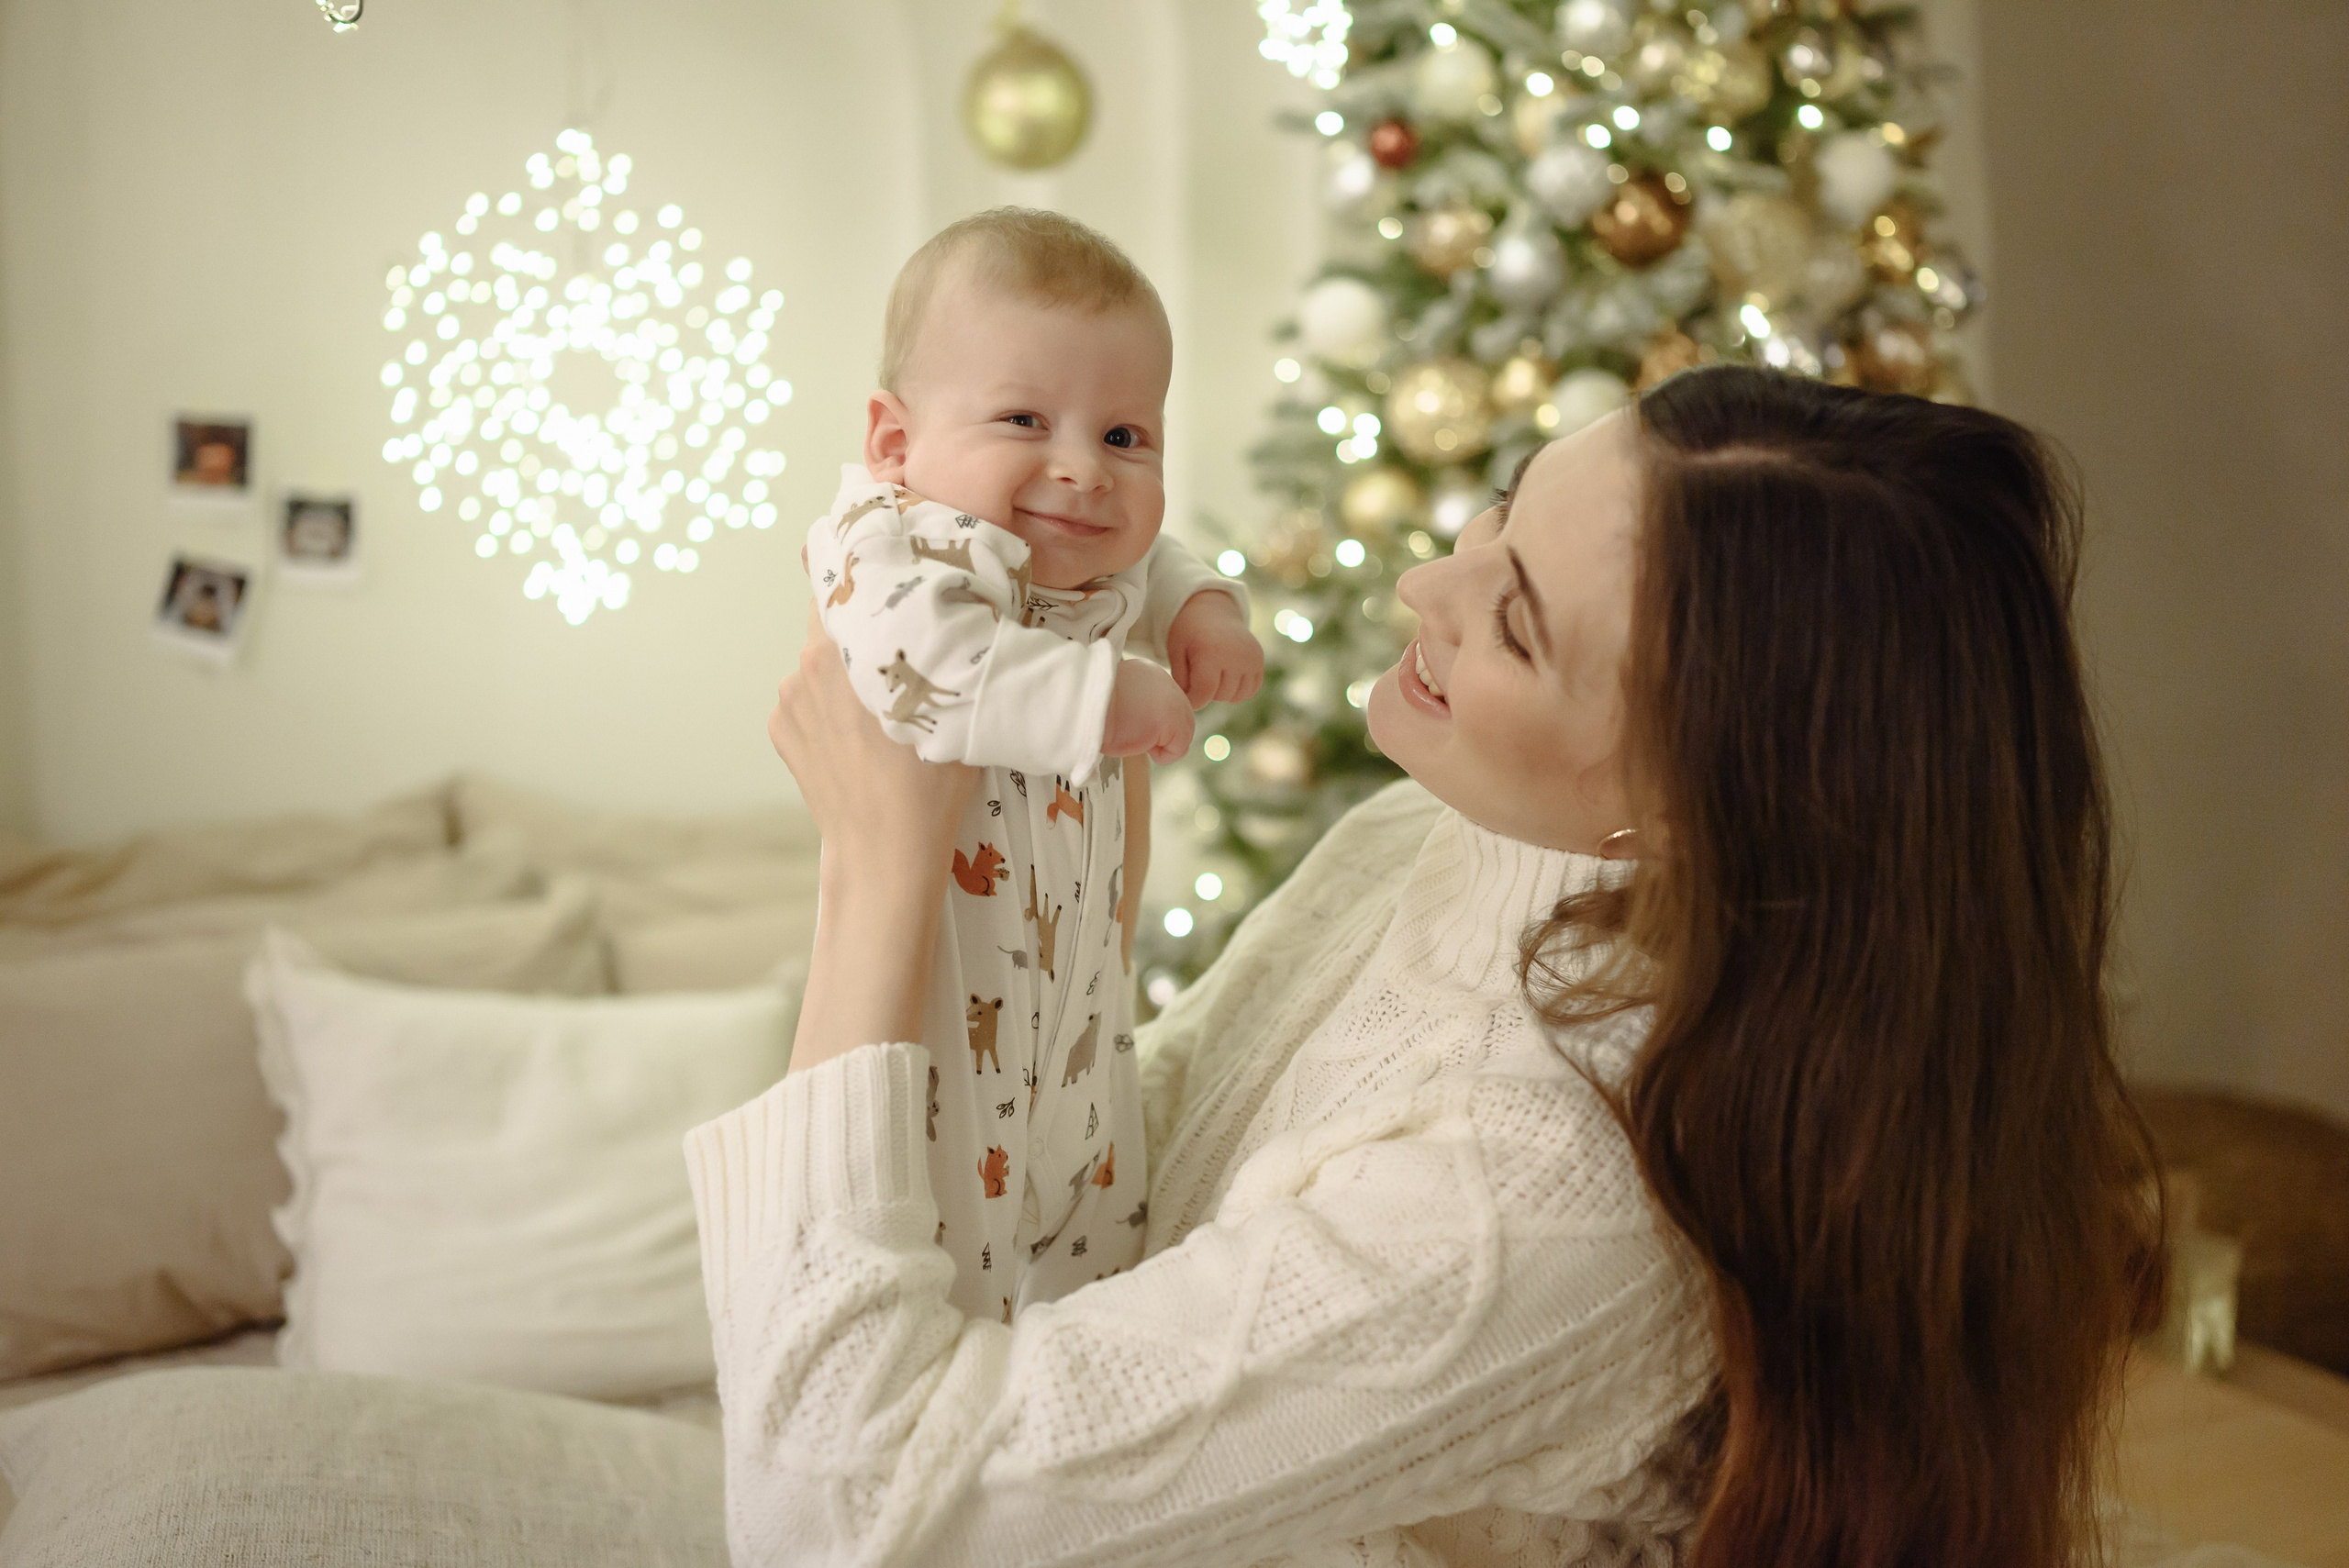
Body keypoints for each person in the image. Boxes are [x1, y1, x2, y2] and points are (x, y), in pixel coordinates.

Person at [688, 363, 2166, 1567]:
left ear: (1693, 806)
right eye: (1495, 517)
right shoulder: (1429, 834)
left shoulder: (1545, 1197)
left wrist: (876, 873)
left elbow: (838, 1524)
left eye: (1511, 620)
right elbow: (1131, 1181)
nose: (1420, 586)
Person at [800, 207, 1264, 1325]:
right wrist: (1107, 693)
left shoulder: (1079, 545)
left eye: (1123, 436)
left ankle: (1083, 1377)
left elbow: (1150, 553)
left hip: (1079, 1006)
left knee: (1097, 1240)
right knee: (947, 1262)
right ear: (895, 442)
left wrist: (1202, 605)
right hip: (941, 1008)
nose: (1082, 472)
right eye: (1023, 418)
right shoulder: (888, 546)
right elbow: (930, 661)